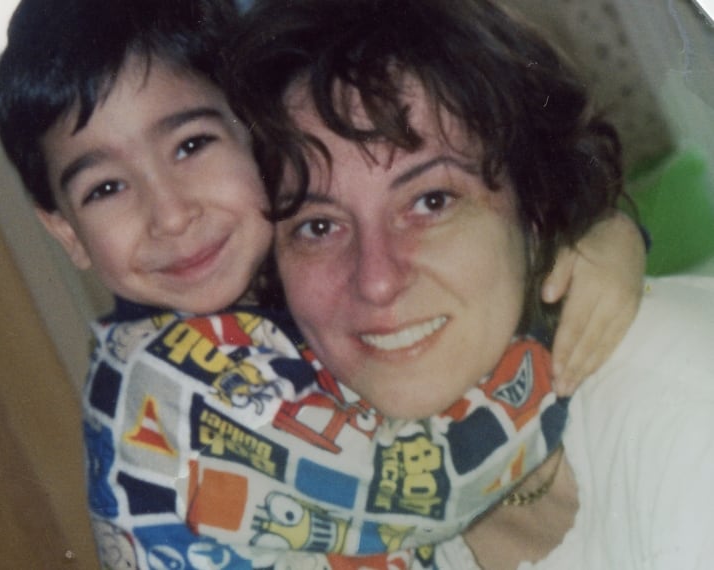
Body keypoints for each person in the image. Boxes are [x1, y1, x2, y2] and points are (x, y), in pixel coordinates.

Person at [0, 0, 646, 568]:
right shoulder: (174, 385)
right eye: (105, 188)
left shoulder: (246, 309)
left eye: (190, 145)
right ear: (66, 231)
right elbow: (434, 484)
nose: (171, 214)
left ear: (256, 133)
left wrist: (584, 228)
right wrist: (566, 296)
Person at [226, 0, 714, 567]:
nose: (377, 281)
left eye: (431, 201)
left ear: (534, 204)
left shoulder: (688, 420)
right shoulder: (318, 478)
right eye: (318, 226)